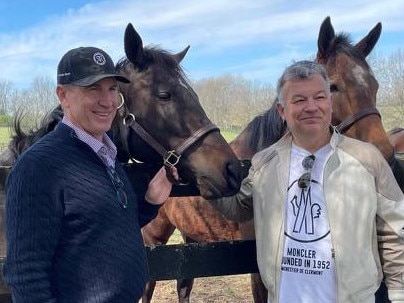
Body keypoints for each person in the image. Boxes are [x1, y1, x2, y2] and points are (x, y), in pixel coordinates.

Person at [209, 60, 404, 303]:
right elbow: (238, 207)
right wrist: (202, 179)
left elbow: (395, 228)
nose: (311, 107)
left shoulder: (367, 159)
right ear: (282, 110)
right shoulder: (265, 163)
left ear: (330, 104)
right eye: (299, 100)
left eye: (319, 97)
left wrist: (398, 293)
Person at [3, 46, 178, 302]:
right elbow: (25, 273)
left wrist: (151, 200)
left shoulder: (106, 154)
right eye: (93, 89)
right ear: (63, 96)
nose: (107, 102)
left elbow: (100, 226)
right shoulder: (38, 167)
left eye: (112, 89)